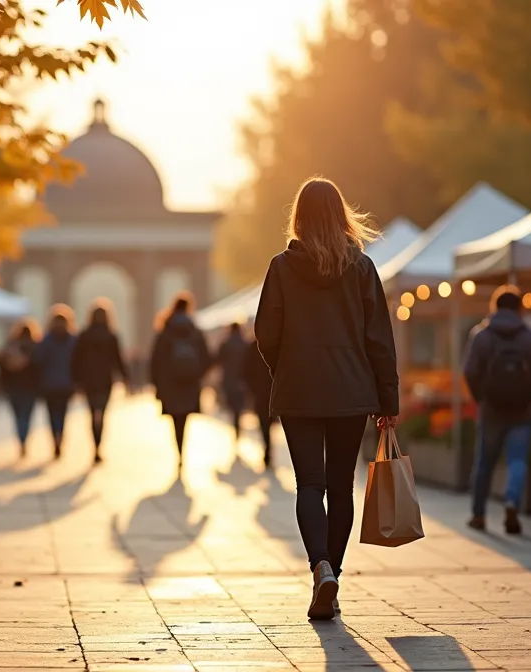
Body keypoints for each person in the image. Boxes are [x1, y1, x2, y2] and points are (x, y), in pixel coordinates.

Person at [253, 177, 398, 621]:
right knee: (341, 486)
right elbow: (379, 339)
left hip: (299, 390)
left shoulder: (281, 267)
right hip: (351, 391)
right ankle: (333, 574)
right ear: (341, 215)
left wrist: (285, 368)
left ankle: (319, 567)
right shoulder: (361, 268)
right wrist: (387, 401)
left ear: (298, 217)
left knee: (309, 484)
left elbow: (265, 332)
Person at [462, 286, 531, 536]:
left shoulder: (481, 335)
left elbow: (469, 371)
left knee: (484, 463)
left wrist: (482, 398)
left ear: (495, 306)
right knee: (518, 460)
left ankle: (478, 515)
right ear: (520, 308)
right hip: (523, 410)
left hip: (491, 409)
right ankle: (512, 501)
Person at [150, 292, 212, 466]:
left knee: (175, 419)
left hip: (169, 383)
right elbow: (206, 357)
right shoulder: (195, 331)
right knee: (184, 418)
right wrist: (196, 373)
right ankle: (182, 450)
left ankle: (178, 451)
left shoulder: (165, 331)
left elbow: (156, 360)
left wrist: (156, 384)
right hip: (189, 383)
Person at [72, 300, 129, 464]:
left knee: (91, 413)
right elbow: (118, 360)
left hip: (88, 380)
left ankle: (94, 446)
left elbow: (76, 360)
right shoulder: (111, 335)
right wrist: (125, 379)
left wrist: (76, 380)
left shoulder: (84, 335)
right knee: (102, 413)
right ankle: (99, 446)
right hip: (105, 380)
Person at [32, 305, 78, 458]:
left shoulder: (46, 340)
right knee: (62, 413)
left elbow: (38, 361)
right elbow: (78, 362)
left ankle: (55, 439)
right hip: (66, 383)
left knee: (52, 414)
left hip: (49, 383)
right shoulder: (72, 340)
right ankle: (60, 437)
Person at [0, 319, 41, 457]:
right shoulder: (36, 347)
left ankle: (21, 439)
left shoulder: (10, 345)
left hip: (13, 387)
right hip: (30, 388)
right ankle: (24, 438)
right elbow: (40, 368)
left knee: (17, 416)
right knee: (26, 416)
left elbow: (2, 366)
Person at [243, 326, 276, 468]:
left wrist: (252, 388)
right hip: (273, 390)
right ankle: (269, 446)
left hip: (259, 391)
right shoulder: (276, 346)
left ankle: (267, 446)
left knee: (263, 420)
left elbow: (246, 370)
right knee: (270, 420)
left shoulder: (252, 346)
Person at [217, 322, 250, 438]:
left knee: (233, 407)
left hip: (229, 381)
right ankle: (237, 428)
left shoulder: (225, 344)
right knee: (238, 408)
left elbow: (218, 359)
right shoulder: (246, 344)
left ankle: (236, 429)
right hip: (242, 381)